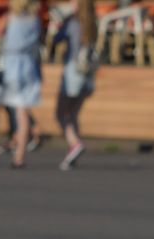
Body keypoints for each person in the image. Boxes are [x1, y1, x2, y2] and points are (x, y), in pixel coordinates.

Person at [0, 0, 42, 168]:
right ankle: (19, 157)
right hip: (28, 66)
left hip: (8, 64)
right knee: (22, 112)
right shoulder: (35, 20)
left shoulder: (10, 18)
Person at [55, 0, 96, 170]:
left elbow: (58, 38)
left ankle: (75, 143)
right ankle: (72, 152)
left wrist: (61, 21)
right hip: (88, 73)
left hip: (73, 72)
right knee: (73, 113)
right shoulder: (93, 24)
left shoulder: (72, 23)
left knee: (62, 113)